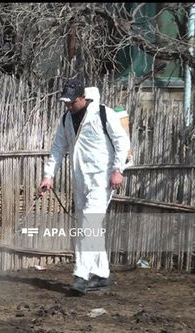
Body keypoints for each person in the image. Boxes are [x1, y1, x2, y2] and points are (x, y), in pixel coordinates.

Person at [39, 79, 130, 295]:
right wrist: (48, 176)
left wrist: (118, 170)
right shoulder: (66, 119)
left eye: (72, 102)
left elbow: (121, 142)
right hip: (80, 180)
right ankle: (101, 274)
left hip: (102, 179)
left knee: (88, 224)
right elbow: (58, 148)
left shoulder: (103, 114)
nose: (68, 106)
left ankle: (81, 275)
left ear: (82, 98)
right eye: (66, 103)